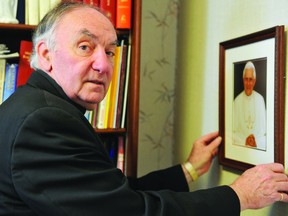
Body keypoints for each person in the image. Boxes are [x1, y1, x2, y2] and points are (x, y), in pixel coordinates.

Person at [0, 2, 287, 215]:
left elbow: (107, 193)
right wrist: (239, 195)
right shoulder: (44, 120)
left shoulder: (38, 105)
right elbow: (128, 211)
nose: (103, 65)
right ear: (46, 55)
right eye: (85, 47)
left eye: (110, 51)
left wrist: (188, 170)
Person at [233, 61, 267, 150]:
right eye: (246, 79)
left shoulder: (260, 99)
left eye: (250, 79)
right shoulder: (237, 101)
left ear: (254, 81)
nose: (248, 83)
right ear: (243, 80)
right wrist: (245, 140)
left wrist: (256, 142)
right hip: (241, 147)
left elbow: (265, 132)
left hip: (258, 146)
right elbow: (232, 131)